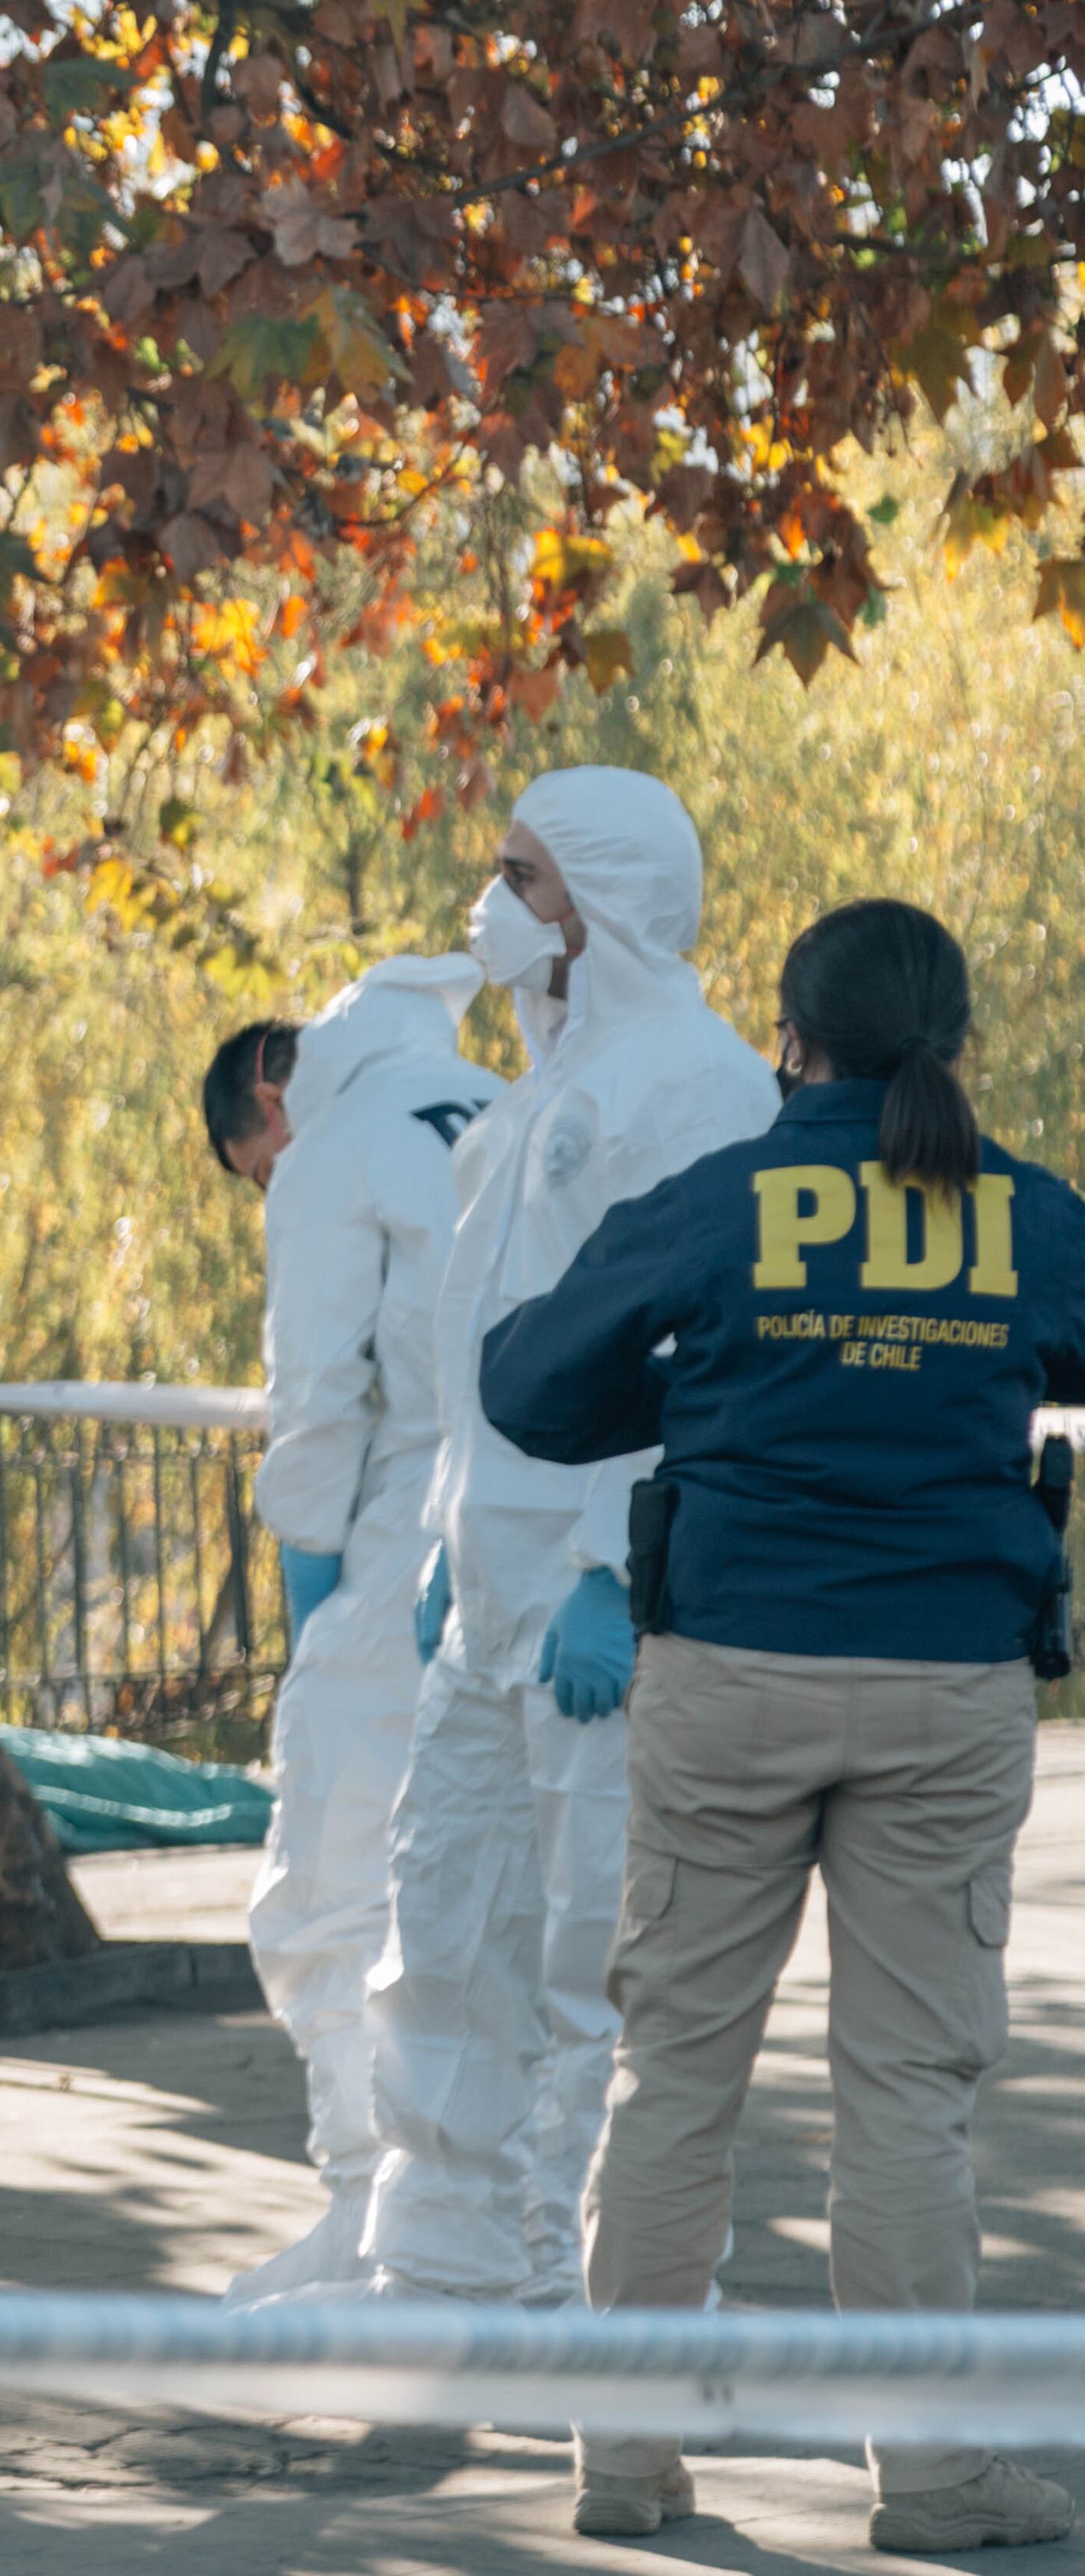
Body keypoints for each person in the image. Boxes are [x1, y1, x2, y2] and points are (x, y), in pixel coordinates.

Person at [481, 898, 1077, 2552]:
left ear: (788, 1040)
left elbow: (526, 1382)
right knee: (907, 2091)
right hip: (948, 1689)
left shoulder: (736, 1196)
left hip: (727, 1675)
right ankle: (939, 2481)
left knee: (675, 2072)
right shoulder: (1022, 1216)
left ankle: (627, 2462)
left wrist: (695, 1396)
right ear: (953, 1045)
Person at [356, 770, 782, 2306]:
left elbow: (693, 1351)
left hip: (595, 1595)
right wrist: (445, 1542)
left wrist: (613, 1562)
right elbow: (489, 1346)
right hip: (489, 1577)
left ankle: (594, 2301)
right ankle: (447, 2253)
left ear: (593, 902)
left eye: (518, 874)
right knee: (453, 1910)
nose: (492, 901)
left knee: (599, 1952)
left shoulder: (691, 1082)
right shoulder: (544, 1081)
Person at [198, 959, 498, 2303]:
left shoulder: (336, 1146)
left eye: (251, 1168)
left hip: (407, 1526)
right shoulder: (495, 1093)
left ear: (271, 1092)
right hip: (540, 1527)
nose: (268, 1188)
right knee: (495, 1893)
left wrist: (310, 1556)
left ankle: (363, 2209)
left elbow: (317, 1390)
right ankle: (483, 2220)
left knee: (321, 1882)